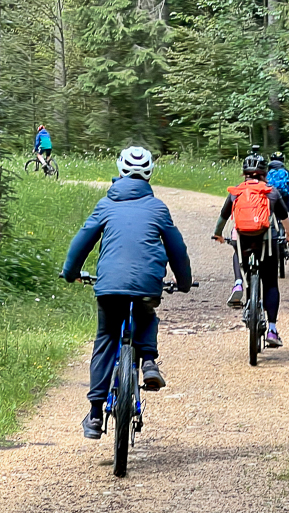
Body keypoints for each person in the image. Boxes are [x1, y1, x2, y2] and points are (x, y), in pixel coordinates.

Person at [62, 146, 193, 439]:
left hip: (109, 285)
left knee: (106, 339)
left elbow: (81, 241)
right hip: (148, 283)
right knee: (146, 313)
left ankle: (95, 415)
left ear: (120, 171)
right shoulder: (158, 207)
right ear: (149, 175)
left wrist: (71, 273)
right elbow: (177, 249)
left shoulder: (106, 205)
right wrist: (184, 281)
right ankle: (148, 361)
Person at [212, 154, 289, 347]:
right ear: (264, 173)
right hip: (268, 240)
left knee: (237, 250)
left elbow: (223, 217)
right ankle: (273, 330)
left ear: (244, 174)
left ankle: (239, 283)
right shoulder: (271, 191)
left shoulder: (236, 192)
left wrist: (218, 234)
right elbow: (284, 218)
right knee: (271, 283)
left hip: (243, 239)